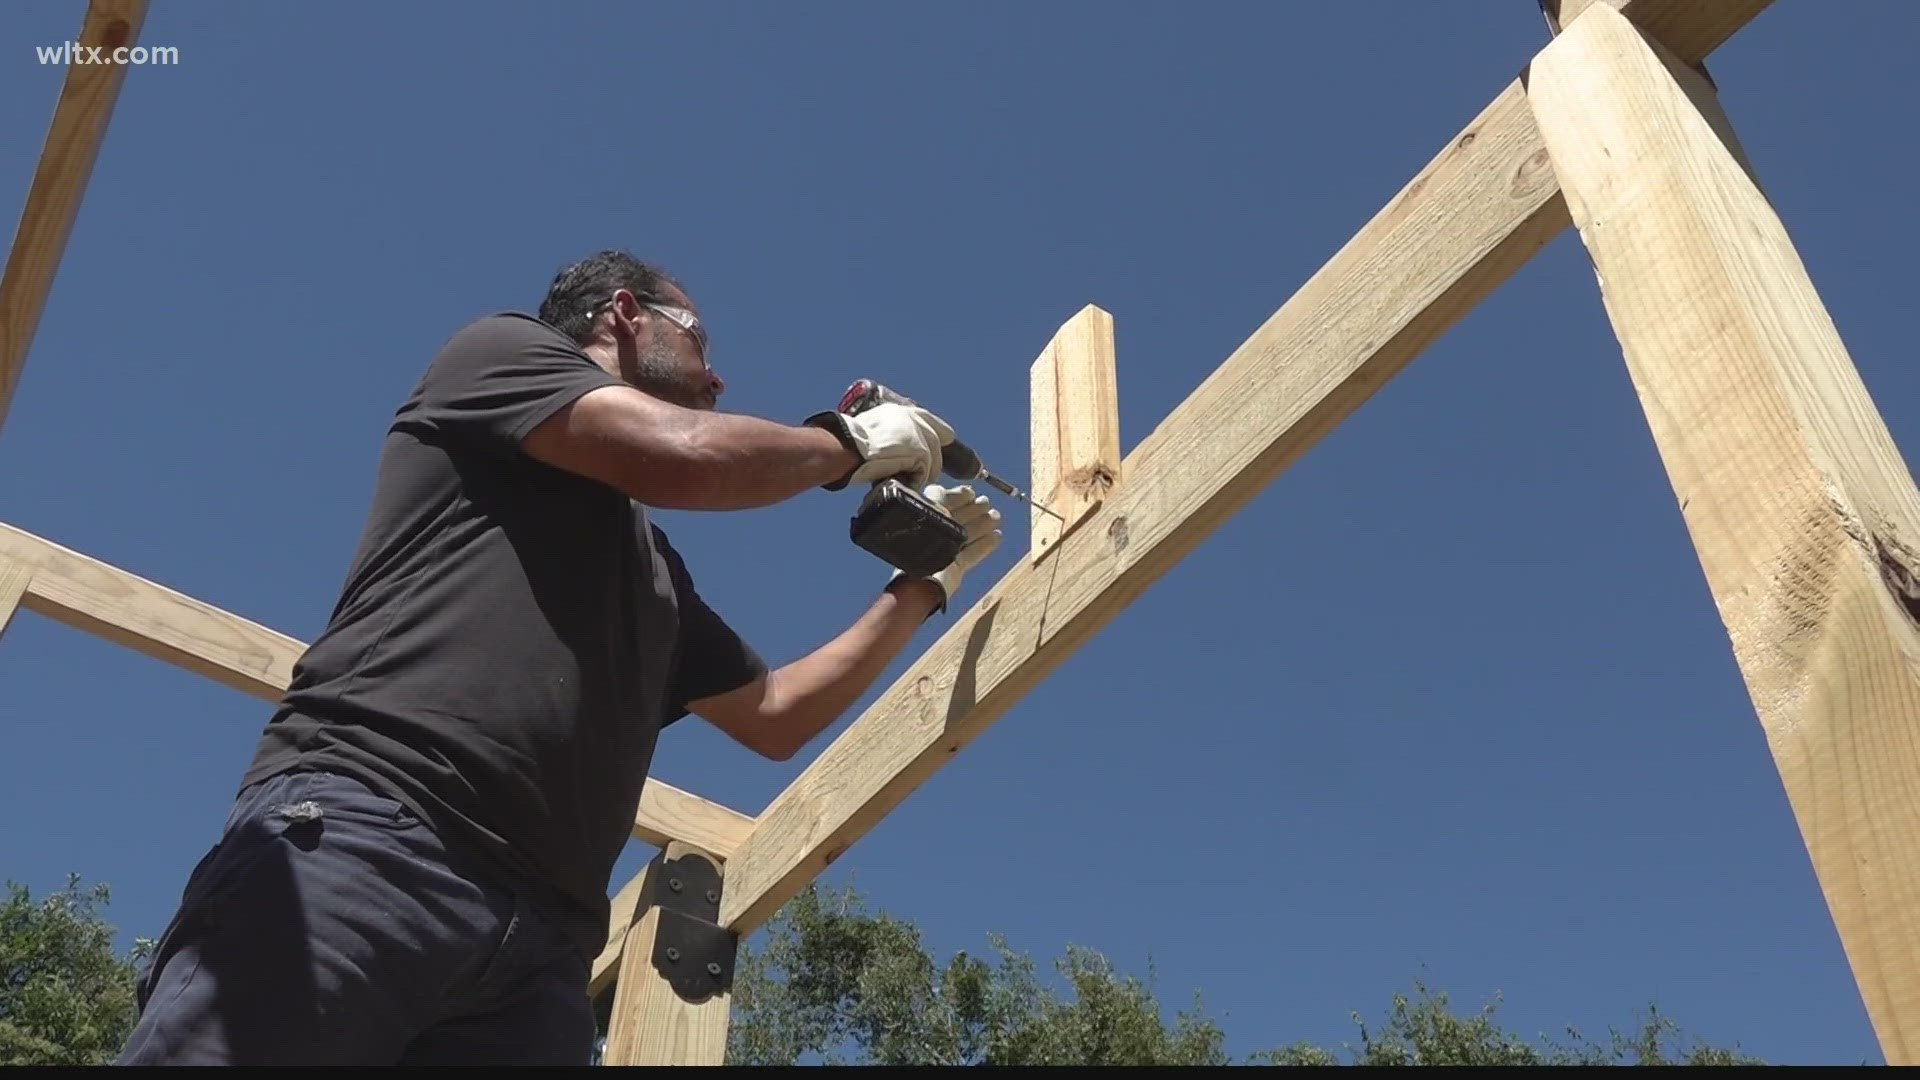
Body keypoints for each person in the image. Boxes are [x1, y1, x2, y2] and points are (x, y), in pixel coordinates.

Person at [115, 250, 1001, 1065]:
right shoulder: (499, 356)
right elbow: (683, 458)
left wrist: (923, 586)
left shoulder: (654, 577)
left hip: (541, 957)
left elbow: (777, 715)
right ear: (624, 313)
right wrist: (846, 445)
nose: (720, 374)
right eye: (700, 340)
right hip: (374, 838)